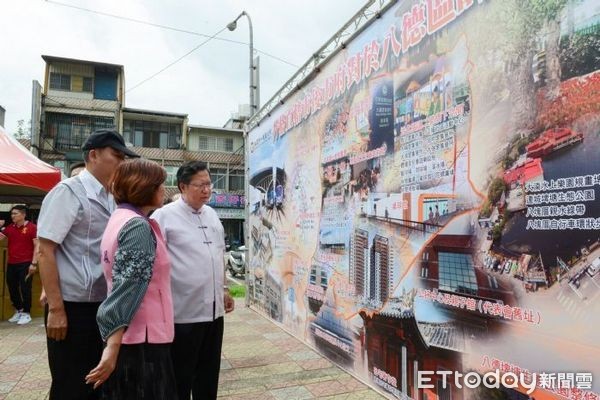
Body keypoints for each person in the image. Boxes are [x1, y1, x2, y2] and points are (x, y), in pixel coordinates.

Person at [37, 129, 139, 400]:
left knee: (98, 382)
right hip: (73, 307)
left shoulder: (111, 196)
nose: (122, 163)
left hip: (101, 305)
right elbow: (45, 250)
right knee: (71, 383)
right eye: (116, 156)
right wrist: (57, 309)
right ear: (93, 155)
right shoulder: (68, 192)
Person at [85, 159, 177, 399]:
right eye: (160, 185)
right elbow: (129, 287)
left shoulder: (120, 218)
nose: (164, 191)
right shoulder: (137, 227)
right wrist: (112, 347)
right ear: (143, 187)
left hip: (135, 335)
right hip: (143, 339)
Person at [151, 161, 235, 400]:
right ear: (183, 186)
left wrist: (225, 289)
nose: (207, 190)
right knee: (180, 374)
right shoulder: (163, 216)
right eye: (200, 185)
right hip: (182, 314)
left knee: (208, 374)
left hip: (213, 312)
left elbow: (219, 255)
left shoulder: (212, 215)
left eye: (209, 184)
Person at [0, 205, 38, 325]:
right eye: (12, 214)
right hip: (12, 263)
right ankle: (19, 310)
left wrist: (34, 263)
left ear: (23, 214)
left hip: (26, 263)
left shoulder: (32, 228)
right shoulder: (10, 228)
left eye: (15, 213)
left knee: (25, 288)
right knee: (12, 287)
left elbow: (37, 246)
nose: (12, 216)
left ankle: (26, 313)